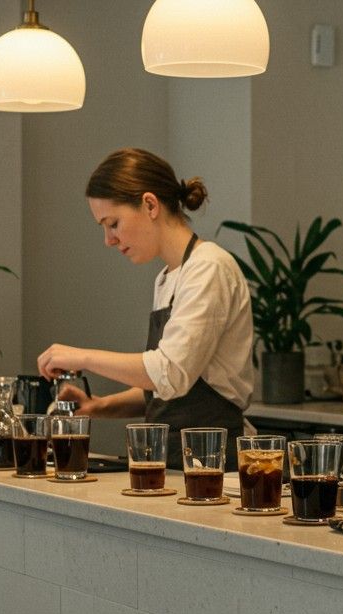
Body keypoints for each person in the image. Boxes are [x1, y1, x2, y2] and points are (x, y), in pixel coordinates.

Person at [36, 148, 254, 468]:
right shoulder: (167, 278)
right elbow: (166, 389)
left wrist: (80, 357)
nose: (109, 240)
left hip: (217, 465)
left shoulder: (209, 268)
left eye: (113, 223)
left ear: (150, 204)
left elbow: (171, 373)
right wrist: (99, 406)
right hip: (175, 462)